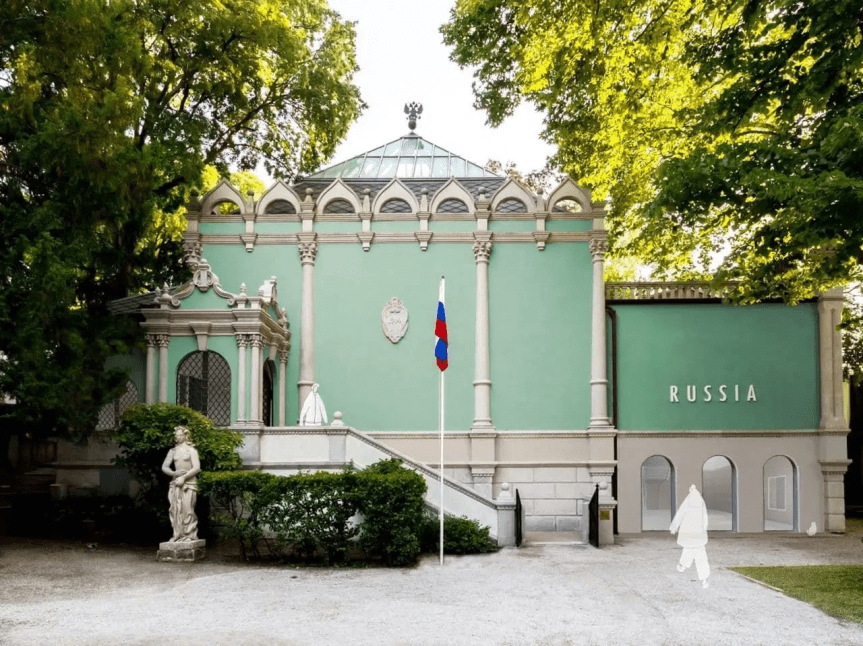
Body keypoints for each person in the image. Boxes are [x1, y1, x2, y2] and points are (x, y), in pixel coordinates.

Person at [161, 425, 201, 542]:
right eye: (176, 435)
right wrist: (174, 473)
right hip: (176, 484)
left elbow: (196, 468)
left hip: (189, 484)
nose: (177, 437)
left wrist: (184, 477)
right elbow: (164, 466)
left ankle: (189, 535)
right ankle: (177, 535)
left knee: (188, 510)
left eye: (179, 435)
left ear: (185, 436)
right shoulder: (173, 451)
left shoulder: (191, 450)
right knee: (175, 510)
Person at [670, 484, 711, 588]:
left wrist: (674, 527)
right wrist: (704, 528)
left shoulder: (687, 502)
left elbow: (679, 514)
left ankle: (683, 565)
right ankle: (704, 578)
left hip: (688, 533)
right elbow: (705, 517)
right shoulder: (701, 503)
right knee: (700, 555)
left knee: (688, 549)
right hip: (699, 535)